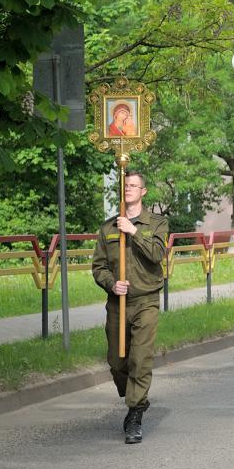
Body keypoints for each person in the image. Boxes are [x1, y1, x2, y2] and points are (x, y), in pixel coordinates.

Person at [91, 171, 169, 444]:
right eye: (126, 185)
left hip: (145, 299)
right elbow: (98, 267)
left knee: (140, 358)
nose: (129, 189)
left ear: (143, 192)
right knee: (116, 361)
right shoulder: (107, 228)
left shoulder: (156, 224)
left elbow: (158, 254)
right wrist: (112, 284)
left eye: (134, 185)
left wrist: (133, 231)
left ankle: (135, 412)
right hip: (117, 303)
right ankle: (133, 395)